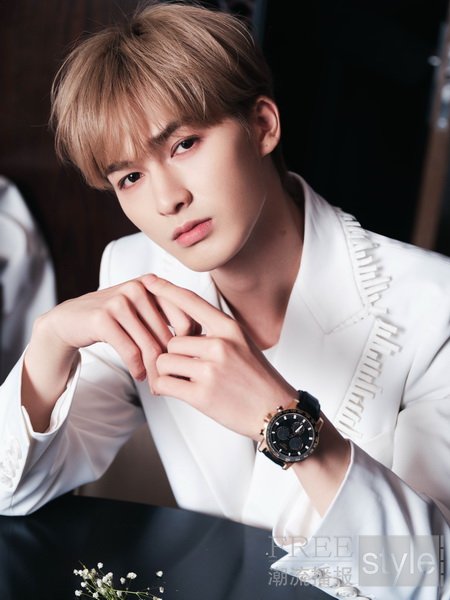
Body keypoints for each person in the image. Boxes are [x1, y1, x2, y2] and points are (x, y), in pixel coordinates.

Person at [0, 1, 449, 597]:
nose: (166, 200)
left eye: (184, 144)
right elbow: (14, 491)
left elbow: (433, 577)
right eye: (129, 177)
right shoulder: (134, 271)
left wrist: (283, 420)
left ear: (262, 125)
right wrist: (49, 340)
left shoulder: (432, 304)